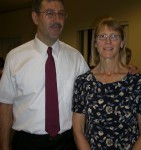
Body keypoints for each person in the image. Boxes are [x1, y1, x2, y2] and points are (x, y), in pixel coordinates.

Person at [0, 0, 89, 150]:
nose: (57, 19)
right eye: (49, 13)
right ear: (35, 17)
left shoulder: (76, 58)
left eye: (61, 14)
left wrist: (123, 71)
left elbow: (96, 87)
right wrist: (4, 146)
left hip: (67, 142)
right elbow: (5, 105)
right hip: (27, 143)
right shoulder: (15, 58)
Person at [72, 17, 141, 150]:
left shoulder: (137, 82)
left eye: (114, 36)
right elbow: (78, 130)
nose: (108, 41)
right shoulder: (83, 82)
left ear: (121, 43)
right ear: (95, 43)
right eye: (102, 36)